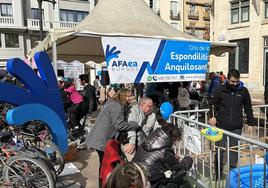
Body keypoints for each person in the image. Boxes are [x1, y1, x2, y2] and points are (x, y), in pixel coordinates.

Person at [87, 89, 139, 187]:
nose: (130, 98)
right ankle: (104, 185)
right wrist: (133, 125)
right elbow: (119, 125)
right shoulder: (117, 106)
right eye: (128, 96)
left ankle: (105, 184)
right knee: (105, 166)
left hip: (99, 138)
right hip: (102, 140)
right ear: (123, 96)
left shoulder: (114, 103)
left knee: (104, 165)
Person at [208, 69, 254, 179]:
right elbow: (212, 104)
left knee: (233, 153)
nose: (235, 84)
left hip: (236, 127)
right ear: (227, 79)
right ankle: (218, 175)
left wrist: (251, 123)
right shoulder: (220, 90)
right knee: (219, 151)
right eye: (232, 81)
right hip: (221, 126)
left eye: (237, 82)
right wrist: (212, 116)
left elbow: (248, 107)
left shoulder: (243, 91)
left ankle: (232, 176)